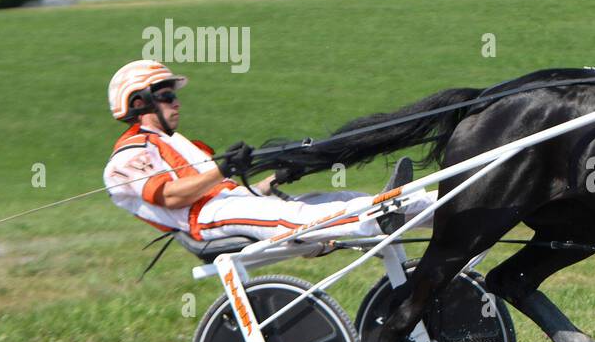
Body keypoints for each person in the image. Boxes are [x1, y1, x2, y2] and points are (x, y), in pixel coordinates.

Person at [103, 60, 423, 246]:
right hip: (205, 220)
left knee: (336, 198)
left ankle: (440, 205)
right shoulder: (127, 157)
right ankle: (380, 216)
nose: (176, 102)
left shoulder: (175, 142)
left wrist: (277, 177)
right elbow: (172, 198)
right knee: (295, 218)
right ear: (139, 103)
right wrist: (224, 168)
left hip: (229, 206)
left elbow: (229, 192)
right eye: (167, 95)